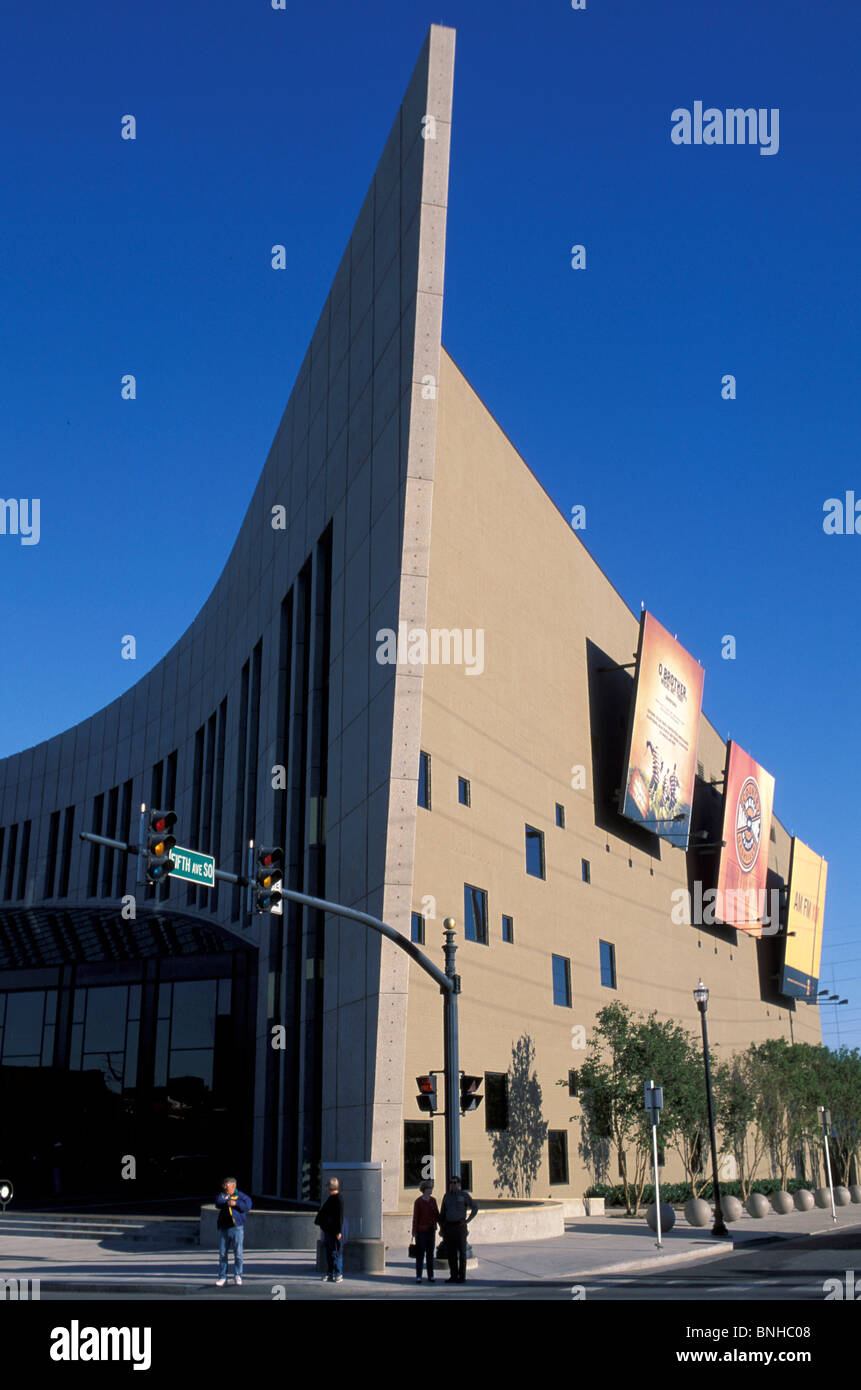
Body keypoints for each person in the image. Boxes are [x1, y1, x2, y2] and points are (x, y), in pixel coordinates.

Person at [439, 1173, 478, 1283]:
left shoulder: (464, 1195)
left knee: (462, 1253)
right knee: (451, 1254)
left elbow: (475, 1207)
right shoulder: (446, 1196)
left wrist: (467, 1220)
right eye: (451, 1183)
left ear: (459, 1184)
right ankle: (453, 1276)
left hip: (460, 1227)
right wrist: (442, 1227)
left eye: (454, 1182)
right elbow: (442, 1213)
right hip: (449, 1227)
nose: (452, 1184)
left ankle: (462, 1277)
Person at [215, 1176, 252, 1286]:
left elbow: (247, 1206)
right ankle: (222, 1277)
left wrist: (236, 1204)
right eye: (224, 1185)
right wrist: (226, 1201)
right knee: (222, 1253)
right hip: (224, 1228)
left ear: (233, 1186)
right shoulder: (223, 1195)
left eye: (227, 1185)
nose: (225, 1187)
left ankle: (238, 1275)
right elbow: (217, 1203)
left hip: (237, 1228)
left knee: (238, 1253)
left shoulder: (241, 1196)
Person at [315, 1177, 344, 1283]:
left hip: (333, 1230)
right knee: (331, 1252)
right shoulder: (333, 1198)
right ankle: (331, 1273)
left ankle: (338, 1273)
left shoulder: (337, 1199)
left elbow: (339, 1217)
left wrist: (338, 1231)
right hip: (330, 1229)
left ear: (330, 1188)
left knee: (335, 1252)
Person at [411, 1179, 440, 1283]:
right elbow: (415, 1217)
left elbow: (437, 1215)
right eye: (429, 1188)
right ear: (425, 1189)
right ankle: (419, 1275)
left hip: (431, 1230)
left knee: (430, 1253)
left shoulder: (433, 1201)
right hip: (421, 1230)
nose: (431, 1189)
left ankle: (430, 1275)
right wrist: (414, 1231)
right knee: (420, 1254)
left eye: (431, 1187)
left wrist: (441, 1227)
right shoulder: (418, 1202)